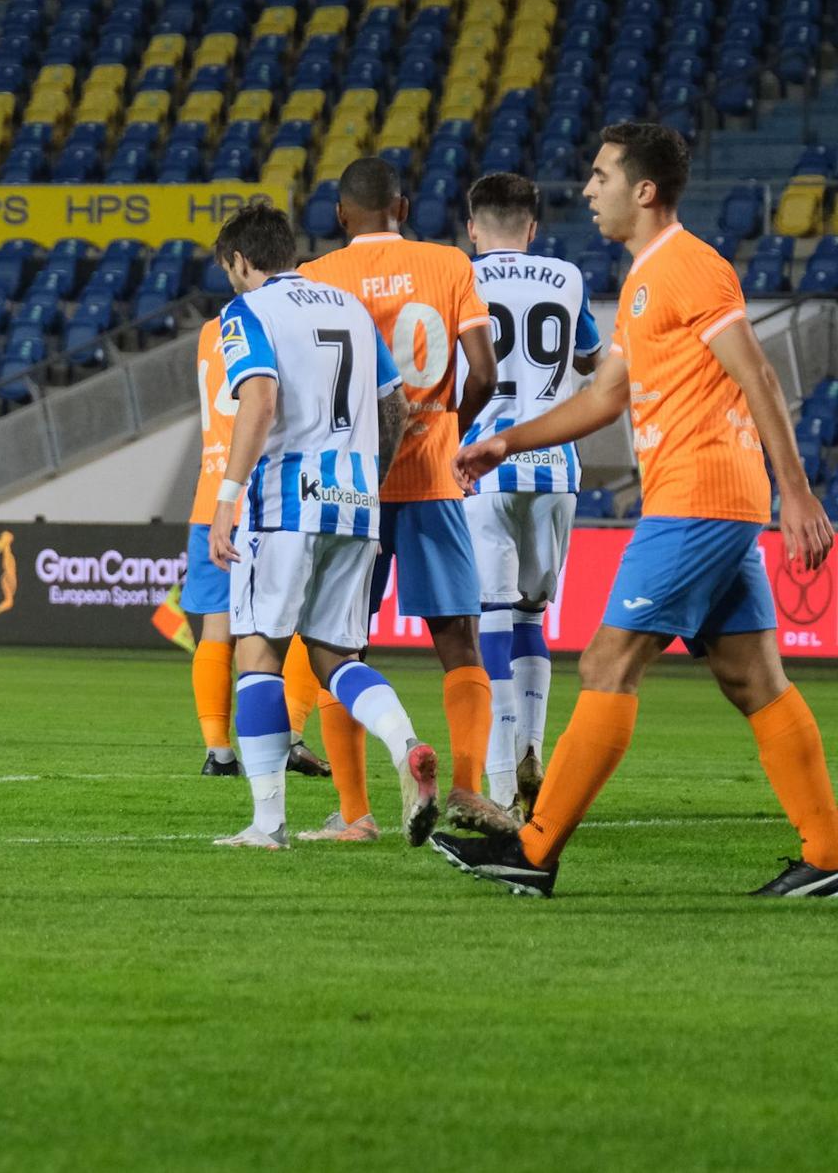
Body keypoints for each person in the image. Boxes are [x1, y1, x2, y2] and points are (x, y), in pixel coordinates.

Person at [438, 123, 838, 898]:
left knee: (605, 663)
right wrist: (505, 443)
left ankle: (533, 848)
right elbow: (604, 395)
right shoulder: (645, 280)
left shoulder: (689, 266)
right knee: (752, 677)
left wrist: (797, 491)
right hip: (710, 501)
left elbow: (756, 372)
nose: (587, 191)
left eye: (600, 176)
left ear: (643, 190)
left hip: (699, 499)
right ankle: (827, 854)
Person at [204, 205, 437, 850]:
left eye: (231, 270)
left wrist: (227, 496)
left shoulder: (247, 313)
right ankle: (406, 743)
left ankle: (266, 823)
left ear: (243, 262)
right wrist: (374, 478)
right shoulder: (350, 309)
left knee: (258, 651)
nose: (232, 282)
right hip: (357, 499)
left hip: (284, 503)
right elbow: (395, 403)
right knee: (336, 657)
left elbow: (261, 398)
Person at [304, 157, 512, 840]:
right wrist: (453, 430)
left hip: (351, 484)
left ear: (341, 215)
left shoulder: (316, 279)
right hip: (431, 475)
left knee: (339, 644)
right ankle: (468, 789)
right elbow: (484, 371)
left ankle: (356, 814)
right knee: (459, 639)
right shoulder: (451, 264)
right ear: (404, 203)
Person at [459, 172, 602, 813]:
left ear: (472, 226)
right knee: (529, 618)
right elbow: (594, 361)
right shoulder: (568, 279)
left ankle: (498, 784)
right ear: (533, 227)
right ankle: (532, 751)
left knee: (488, 614)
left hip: (483, 462)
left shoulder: (457, 278)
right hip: (554, 465)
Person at [184, 314, 332, 780]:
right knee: (301, 621)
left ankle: (218, 751)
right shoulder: (274, 323)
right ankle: (287, 737)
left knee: (216, 628)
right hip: (264, 497)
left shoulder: (212, 329)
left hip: (210, 497)